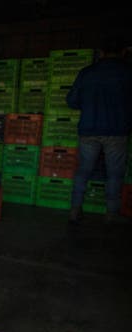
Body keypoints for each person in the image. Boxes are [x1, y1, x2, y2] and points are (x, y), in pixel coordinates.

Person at [66, 35, 132, 225]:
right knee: (114, 174)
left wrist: (90, 104)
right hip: (117, 130)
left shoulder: (87, 73)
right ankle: (111, 214)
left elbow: (71, 101)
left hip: (89, 129)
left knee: (83, 171)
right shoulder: (128, 72)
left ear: (100, 53)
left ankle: (75, 210)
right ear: (124, 52)